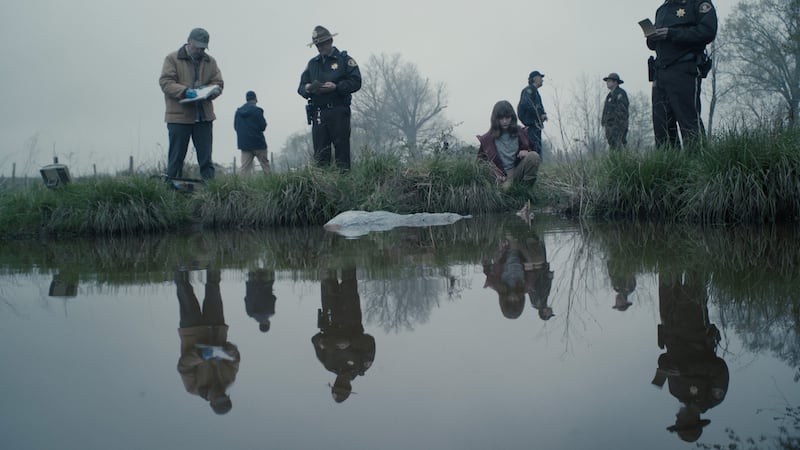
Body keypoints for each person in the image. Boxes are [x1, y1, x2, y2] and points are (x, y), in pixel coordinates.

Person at [651, 269, 728, 443]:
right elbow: (719, 369)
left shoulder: (674, 391)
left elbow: (664, 359)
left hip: (669, 326)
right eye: (680, 421)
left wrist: (661, 372)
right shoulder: (713, 398)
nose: (677, 417)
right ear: (692, 421)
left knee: (667, 269)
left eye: (676, 421)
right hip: (694, 328)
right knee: (696, 270)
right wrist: (684, 369)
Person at [646, 0, 717, 149]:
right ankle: (669, 168)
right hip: (660, 72)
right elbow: (652, 45)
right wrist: (652, 36)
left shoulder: (697, 4)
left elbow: (708, 31)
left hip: (684, 68)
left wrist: (672, 33)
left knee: (688, 121)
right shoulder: (662, 9)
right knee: (662, 126)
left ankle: (698, 165)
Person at [159, 27, 224, 180]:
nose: (201, 51)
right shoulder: (172, 59)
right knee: (176, 158)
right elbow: (165, 82)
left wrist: (209, 91)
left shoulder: (211, 62)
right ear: (189, 42)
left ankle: (210, 192)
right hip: (179, 118)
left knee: (206, 159)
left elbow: (219, 84)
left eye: (203, 47)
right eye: (198, 46)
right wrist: (184, 91)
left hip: (203, 118)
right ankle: (171, 188)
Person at [175, 268, 240, 415]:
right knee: (213, 287)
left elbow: (183, 366)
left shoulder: (193, 388)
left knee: (183, 288)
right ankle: (213, 257)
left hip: (191, 331)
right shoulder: (230, 378)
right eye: (224, 397)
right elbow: (235, 359)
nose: (221, 394)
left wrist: (202, 355)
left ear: (212, 402)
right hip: (216, 328)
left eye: (219, 399)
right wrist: (228, 351)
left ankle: (178, 263)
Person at [298, 25, 362, 171]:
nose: (320, 48)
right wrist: (308, 88)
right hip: (319, 112)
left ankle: (344, 184)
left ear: (331, 41)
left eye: (323, 44)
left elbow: (356, 82)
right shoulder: (312, 64)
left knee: (342, 151)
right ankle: (323, 187)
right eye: (317, 45)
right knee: (320, 154)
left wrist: (336, 87)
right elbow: (300, 87)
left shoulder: (344, 60)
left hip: (338, 110)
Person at [312, 267, 375, 403]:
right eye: (344, 386)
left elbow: (315, 340)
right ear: (349, 386)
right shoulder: (361, 365)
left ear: (334, 383)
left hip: (330, 315)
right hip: (351, 316)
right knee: (348, 277)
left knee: (327, 276)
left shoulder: (328, 363)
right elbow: (370, 342)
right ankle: (348, 249)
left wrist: (323, 342)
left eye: (338, 385)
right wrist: (350, 342)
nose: (341, 383)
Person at [477, 100, 541, 190]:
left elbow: (533, 151)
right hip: (501, 178)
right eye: (501, 118)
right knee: (506, 191)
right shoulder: (487, 139)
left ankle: (526, 191)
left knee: (533, 156)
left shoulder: (521, 132)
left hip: (517, 172)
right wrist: (493, 172)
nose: (504, 121)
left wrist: (527, 152)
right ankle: (508, 192)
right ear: (496, 119)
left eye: (507, 118)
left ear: (512, 117)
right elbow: (480, 163)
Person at [234, 91, 271, 174]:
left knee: (244, 170)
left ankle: (242, 186)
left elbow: (236, 127)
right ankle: (272, 185)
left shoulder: (238, 113)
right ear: (255, 99)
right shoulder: (257, 111)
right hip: (259, 143)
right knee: (265, 166)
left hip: (245, 145)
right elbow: (263, 126)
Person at [517, 71, 548, 155]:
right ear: (535, 78)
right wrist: (539, 114)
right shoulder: (529, 90)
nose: (542, 80)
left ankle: (538, 166)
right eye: (540, 77)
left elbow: (538, 107)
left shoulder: (535, 92)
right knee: (534, 149)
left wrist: (543, 114)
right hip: (531, 125)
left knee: (537, 148)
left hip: (536, 125)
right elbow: (526, 103)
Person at [601, 73, 630, 149]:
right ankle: (615, 159)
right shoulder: (609, 95)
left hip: (618, 124)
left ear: (615, 82)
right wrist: (604, 122)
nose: (607, 83)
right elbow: (605, 109)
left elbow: (622, 111)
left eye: (609, 81)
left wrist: (617, 123)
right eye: (607, 81)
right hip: (609, 126)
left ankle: (625, 158)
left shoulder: (621, 93)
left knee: (619, 143)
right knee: (612, 144)